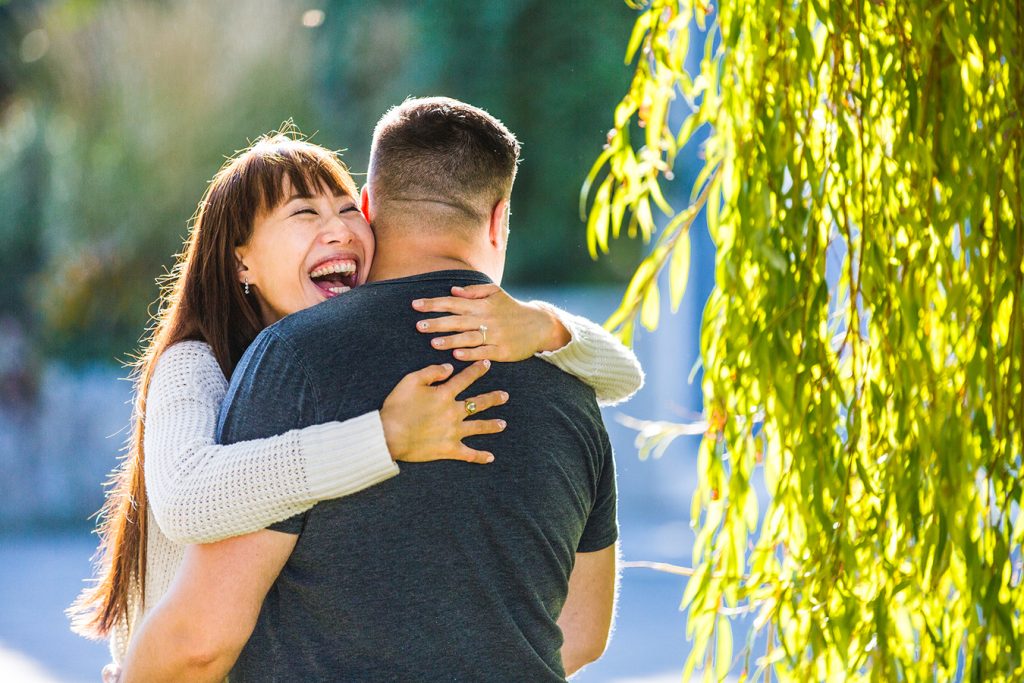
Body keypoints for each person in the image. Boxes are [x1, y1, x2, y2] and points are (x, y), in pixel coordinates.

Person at [69, 132, 641, 674]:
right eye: (304, 214)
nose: (338, 230)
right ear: (241, 260)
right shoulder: (196, 364)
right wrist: (382, 439)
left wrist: (547, 327)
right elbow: (189, 500)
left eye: (348, 211)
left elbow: (623, 376)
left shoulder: (338, 351)